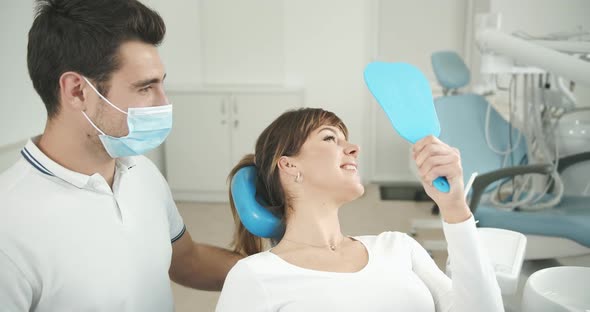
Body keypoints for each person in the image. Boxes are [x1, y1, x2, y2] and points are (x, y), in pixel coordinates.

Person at [0, 0, 242, 311]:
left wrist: (284, 267)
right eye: (145, 88)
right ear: (77, 91)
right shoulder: (10, 223)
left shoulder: (142, 172)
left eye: (161, 84)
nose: (163, 103)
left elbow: (185, 260)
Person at [216, 108, 504, 311]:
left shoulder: (398, 247)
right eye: (330, 138)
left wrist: (454, 207)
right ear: (289, 165)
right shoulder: (255, 275)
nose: (354, 148)